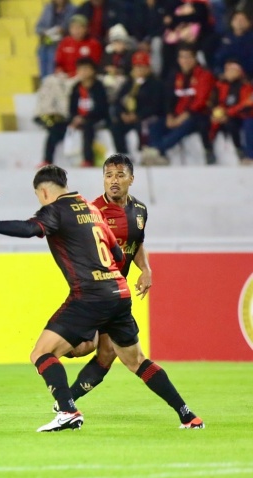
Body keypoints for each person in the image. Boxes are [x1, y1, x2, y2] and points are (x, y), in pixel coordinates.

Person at [0, 164, 204, 432]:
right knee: (136, 361)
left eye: (39, 197)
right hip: (119, 293)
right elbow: (118, 255)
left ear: (45, 192)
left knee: (41, 352)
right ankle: (187, 415)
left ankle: (68, 411)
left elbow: (29, 229)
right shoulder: (92, 209)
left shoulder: (55, 210)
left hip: (89, 295)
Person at [57, 154, 154, 405]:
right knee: (83, 348)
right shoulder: (92, 211)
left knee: (108, 352)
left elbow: (137, 242)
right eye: (109, 175)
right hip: (96, 292)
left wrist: (145, 269)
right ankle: (49, 354)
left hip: (116, 295)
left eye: (120, 175)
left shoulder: (140, 210)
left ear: (131, 179)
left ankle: (66, 401)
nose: (114, 180)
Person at [142, 44, 215, 165]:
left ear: (195, 58)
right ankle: (160, 155)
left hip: (198, 115)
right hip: (178, 114)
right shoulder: (176, 75)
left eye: (188, 57)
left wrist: (183, 116)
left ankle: (156, 149)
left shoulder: (204, 75)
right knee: (156, 125)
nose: (185, 61)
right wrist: (170, 115)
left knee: (186, 124)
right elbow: (169, 97)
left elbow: (200, 100)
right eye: (182, 57)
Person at [43, 57, 108, 166]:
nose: (83, 72)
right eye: (81, 69)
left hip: (94, 118)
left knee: (88, 128)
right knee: (55, 128)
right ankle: (47, 160)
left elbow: (101, 107)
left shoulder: (99, 87)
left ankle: (88, 160)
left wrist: (85, 117)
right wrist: (74, 118)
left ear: (93, 71)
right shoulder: (76, 87)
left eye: (86, 69)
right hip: (77, 118)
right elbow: (71, 108)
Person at [110, 50, 166, 156]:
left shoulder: (156, 84)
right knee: (115, 126)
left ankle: (142, 153)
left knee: (142, 126)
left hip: (145, 117)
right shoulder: (129, 83)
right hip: (128, 117)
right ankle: (123, 154)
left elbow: (156, 105)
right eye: (137, 67)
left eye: (142, 67)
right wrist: (122, 114)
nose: (139, 70)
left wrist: (138, 115)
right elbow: (118, 101)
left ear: (148, 68)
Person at [210, 58, 253, 164]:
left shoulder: (247, 86)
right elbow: (215, 102)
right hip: (228, 116)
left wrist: (227, 113)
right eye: (227, 69)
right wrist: (216, 114)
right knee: (205, 122)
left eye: (231, 69)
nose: (228, 72)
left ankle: (248, 155)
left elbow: (246, 104)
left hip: (245, 116)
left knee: (248, 124)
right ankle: (210, 151)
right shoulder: (220, 85)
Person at [36, 0, 77, 78]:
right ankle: (45, 82)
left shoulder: (73, 9)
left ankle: (51, 81)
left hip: (63, 41)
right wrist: (44, 31)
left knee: (52, 53)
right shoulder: (48, 8)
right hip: (48, 40)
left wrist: (63, 30)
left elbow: (74, 28)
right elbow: (38, 28)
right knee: (42, 50)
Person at [213, 10, 253, 78]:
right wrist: (222, 72)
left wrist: (238, 70)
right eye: (236, 19)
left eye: (242, 19)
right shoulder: (225, 38)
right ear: (231, 22)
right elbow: (218, 58)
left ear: (249, 23)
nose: (239, 22)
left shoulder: (251, 39)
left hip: (246, 75)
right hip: (225, 73)